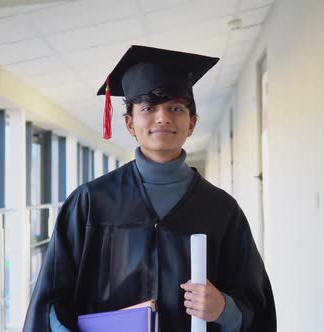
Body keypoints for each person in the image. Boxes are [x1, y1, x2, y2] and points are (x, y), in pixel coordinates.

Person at [23, 45, 276, 332]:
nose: (162, 117)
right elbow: (51, 305)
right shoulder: (92, 202)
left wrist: (224, 309)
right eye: (148, 108)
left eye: (176, 108)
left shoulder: (221, 210)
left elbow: (256, 308)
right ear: (130, 123)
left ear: (192, 123)